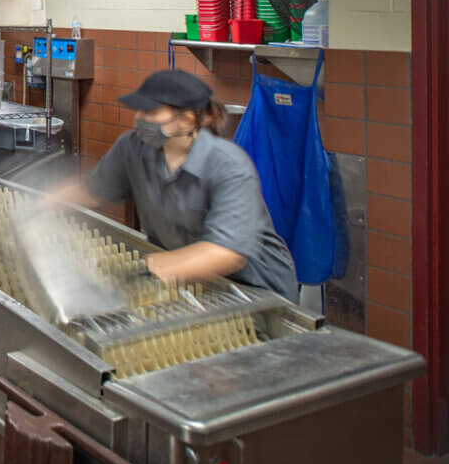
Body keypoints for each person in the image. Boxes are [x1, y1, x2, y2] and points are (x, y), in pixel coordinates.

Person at [54, 69, 298, 303]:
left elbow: (227, 254)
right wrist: (42, 206)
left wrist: (147, 269)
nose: (139, 119)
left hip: (255, 291)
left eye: (150, 112)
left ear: (186, 119)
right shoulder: (133, 148)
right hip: (194, 284)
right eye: (139, 111)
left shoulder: (229, 166)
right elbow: (92, 190)